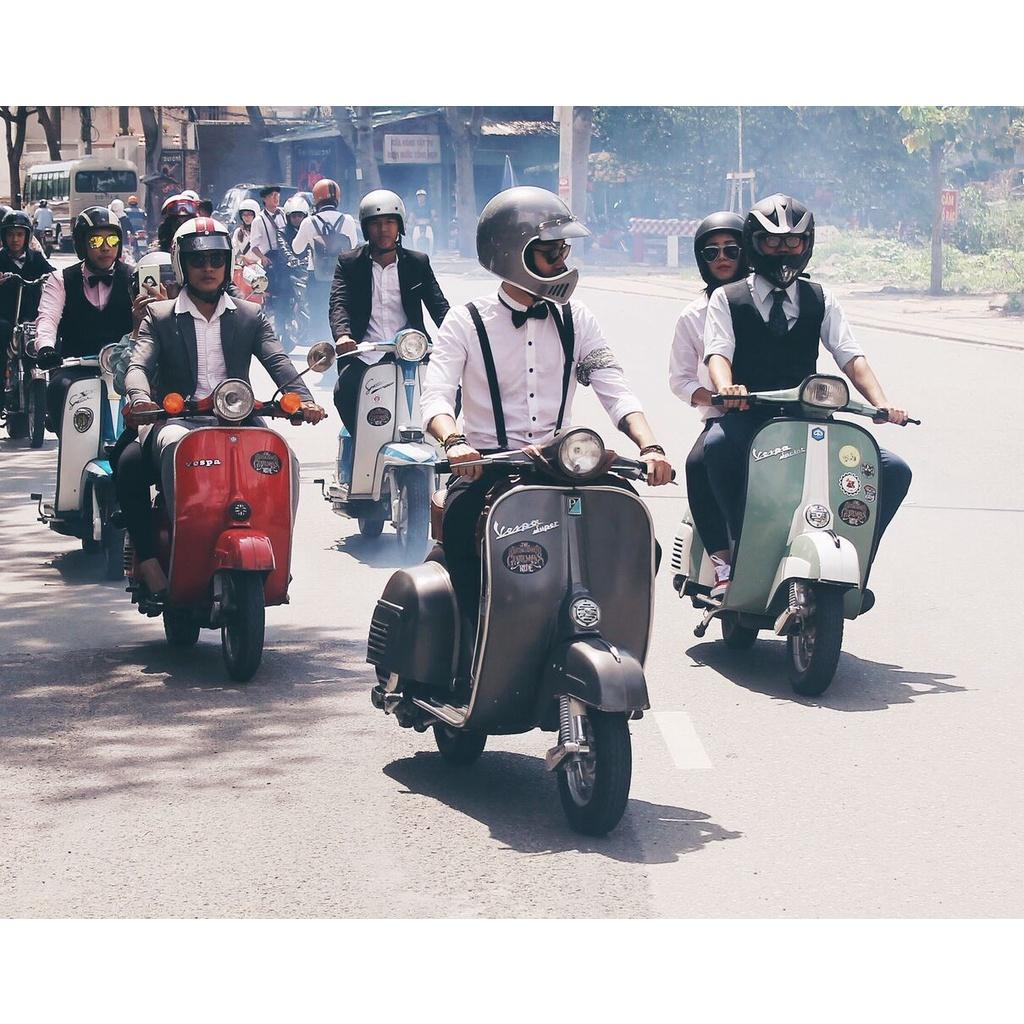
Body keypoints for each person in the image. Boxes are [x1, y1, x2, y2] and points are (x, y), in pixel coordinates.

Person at [421, 185, 673, 628]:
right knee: (461, 538)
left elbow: (614, 388)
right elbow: (436, 396)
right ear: (513, 253)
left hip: (563, 466)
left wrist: (650, 447)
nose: (562, 262)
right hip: (487, 466)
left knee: (639, 542)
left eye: (564, 250)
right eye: (550, 252)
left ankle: (599, 627)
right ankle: (472, 646)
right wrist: (455, 442)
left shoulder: (578, 317)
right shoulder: (465, 321)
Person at [702, 193, 912, 598]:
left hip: (812, 419)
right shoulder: (728, 298)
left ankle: (858, 556)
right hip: (751, 417)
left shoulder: (821, 298)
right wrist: (727, 387)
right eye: (772, 241)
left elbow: (851, 357)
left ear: (807, 244)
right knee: (717, 448)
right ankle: (739, 546)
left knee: (894, 470)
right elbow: (718, 353)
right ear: (754, 244)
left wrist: (881, 402)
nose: (783, 251)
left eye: (792, 241)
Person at [119, 217, 326, 604]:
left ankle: (279, 552)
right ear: (182, 265)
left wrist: (304, 400)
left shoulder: (249, 315)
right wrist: (140, 398)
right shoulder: (159, 316)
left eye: (216, 259)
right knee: (151, 454)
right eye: (198, 260)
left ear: (228, 263)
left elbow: (279, 362)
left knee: (286, 459)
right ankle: (164, 558)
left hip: (239, 419)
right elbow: (137, 365)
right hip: (176, 421)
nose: (208, 268)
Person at [668, 211, 749, 597]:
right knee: (698, 463)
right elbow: (680, 380)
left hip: (778, 415)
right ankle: (722, 562)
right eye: (711, 251)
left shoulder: (770, 303)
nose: (722, 258)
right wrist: (717, 397)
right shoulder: (693, 315)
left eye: (731, 249)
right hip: (722, 417)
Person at [329, 189, 449, 438]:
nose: (383, 230)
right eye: (375, 223)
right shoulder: (349, 263)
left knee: (448, 391)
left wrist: (459, 335)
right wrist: (343, 335)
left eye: (389, 222)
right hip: (365, 353)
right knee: (344, 391)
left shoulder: (417, 263)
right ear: (365, 228)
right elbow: (339, 303)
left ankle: (439, 445)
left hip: (413, 353)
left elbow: (438, 306)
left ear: (400, 226)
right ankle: (364, 443)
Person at [35, 207, 134, 435]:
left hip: (127, 367)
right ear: (81, 244)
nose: (105, 247)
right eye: (96, 240)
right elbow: (47, 317)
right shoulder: (60, 280)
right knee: (58, 388)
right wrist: (46, 347)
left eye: (112, 239)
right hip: (76, 366)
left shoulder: (134, 276)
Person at [0, 211, 55, 412]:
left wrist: (54, 279)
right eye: (10, 234)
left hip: (32, 315)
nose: (15, 239)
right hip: (6, 317)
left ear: (27, 236)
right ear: (4, 237)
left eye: (19, 234)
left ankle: (55, 393)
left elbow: (54, 274)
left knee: (52, 339)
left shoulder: (36, 258)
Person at [291, 178, 358, 340]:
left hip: (316, 277)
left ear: (316, 199)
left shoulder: (309, 222)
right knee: (341, 311)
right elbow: (354, 245)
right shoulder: (347, 220)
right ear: (337, 198)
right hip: (342, 276)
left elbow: (296, 248)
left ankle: (321, 348)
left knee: (318, 314)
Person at [247, 186, 288, 330]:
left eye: (277, 195)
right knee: (273, 292)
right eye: (272, 196)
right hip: (270, 258)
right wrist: (262, 257)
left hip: (285, 256)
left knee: (288, 289)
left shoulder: (283, 214)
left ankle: (287, 320)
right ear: (265, 199)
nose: (276, 198)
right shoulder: (259, 220)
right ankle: (272, 321)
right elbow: (254, 245)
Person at [409, 187, 436, 256]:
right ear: (417, 197)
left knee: (433, 235)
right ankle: (414, 251)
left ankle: (432, 251)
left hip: (428, 225)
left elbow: (433, 214)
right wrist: (411, 221)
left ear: (425, 197)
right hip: (417, 225)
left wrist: (432, 219)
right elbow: (411, 216)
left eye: (422, 196)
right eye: (419, 196)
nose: (421, 198)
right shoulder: (414, 206)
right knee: (412, 235)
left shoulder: (429, 205)